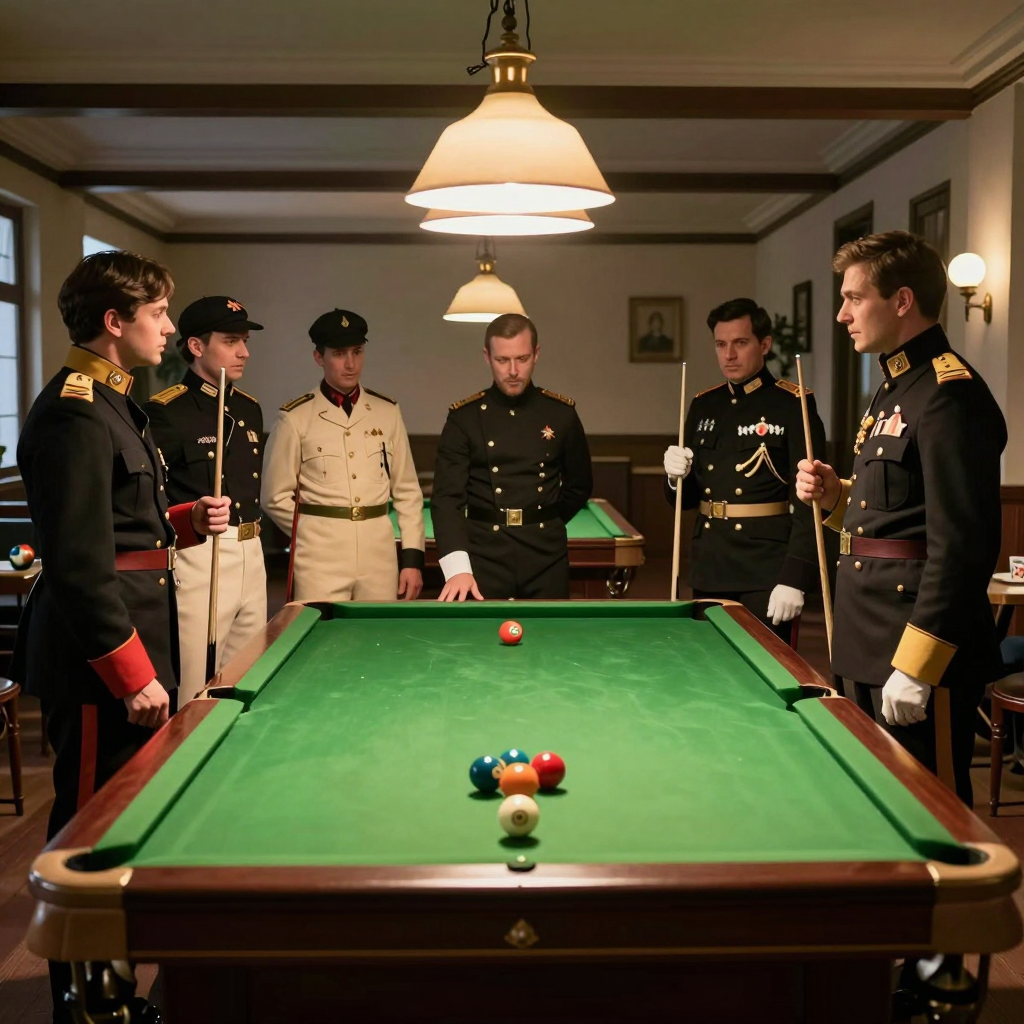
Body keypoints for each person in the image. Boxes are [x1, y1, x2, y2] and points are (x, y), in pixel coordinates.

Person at [10, 251, 230, 1022]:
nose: (169, 328)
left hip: (128, 631)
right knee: (90, 824)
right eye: (160, 313)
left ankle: (110, 981)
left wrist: (179, 522)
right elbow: (75, 562)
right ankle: (89, 1002)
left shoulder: (108, 399)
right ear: (116, 322)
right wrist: (131, 671)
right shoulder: (74, 408)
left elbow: (115, 523)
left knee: (123, 812)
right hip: (97, 657)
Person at [795, 230, 1006, 804]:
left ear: (902, 301)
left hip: (913, 645)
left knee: (928, 807)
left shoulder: (947, 393)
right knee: (873, 800)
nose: (842, 315)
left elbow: (963, 543)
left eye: (854, 298)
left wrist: (917, 663)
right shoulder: (894, 386)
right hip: (867, 636)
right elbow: (887, 518)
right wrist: (836, 495)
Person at [662, 297, 826, 642]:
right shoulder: (704, 403)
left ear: (764, 344)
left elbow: (810, 502)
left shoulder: (792, 404)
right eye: (721, 344)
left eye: (740, 343)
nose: (729, 355)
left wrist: (795, 576)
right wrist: (674, 477)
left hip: (765, 571)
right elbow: (687, 498)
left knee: (768, 672)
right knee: (706, 670)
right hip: (711, 565)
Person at [144, 295, 268, 703]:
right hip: (202, 557)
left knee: (247, 675)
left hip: (253, 550)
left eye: (245, 341)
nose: (244, 352)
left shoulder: (249, 408)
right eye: (231, 341)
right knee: (197, 683)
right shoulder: (167, 412)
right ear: (196, 347)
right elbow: (150, 500)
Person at [261, 309, 424, 601]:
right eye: (339, 354)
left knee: (377, 638)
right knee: (319, 636)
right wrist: (311, 533)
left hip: (379, 555)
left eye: (357, 352)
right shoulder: (295, 417)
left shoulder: (387, 411)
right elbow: (274, 496)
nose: (351, 364)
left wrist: (412, 560)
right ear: (318, 358)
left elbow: (408, 491)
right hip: (319, 559)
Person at [432, 312, 593, 601]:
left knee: (553, 641)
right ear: (487, 356)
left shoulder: (561, 414)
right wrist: (457, 568)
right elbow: (447, 499)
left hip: (546, 554)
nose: (513, 370)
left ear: (537, 354)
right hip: (483, 555)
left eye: (522, 358)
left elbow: (580, 486)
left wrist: (544, 520)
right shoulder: (463, 418)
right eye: (502, 360)